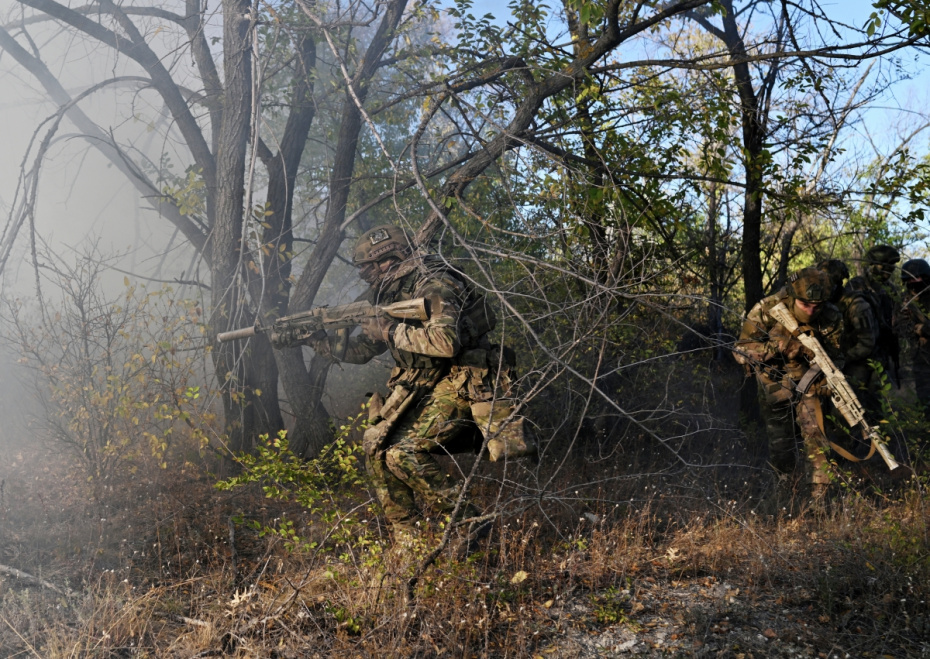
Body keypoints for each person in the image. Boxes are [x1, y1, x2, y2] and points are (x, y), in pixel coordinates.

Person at [307, 225, 523, 550]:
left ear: (391, 258)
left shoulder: (436, 282)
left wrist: (390, 331)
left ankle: (468, 521)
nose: (364, 274)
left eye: (368, 266)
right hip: (424, 383)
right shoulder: (389, 292)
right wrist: (318, 342)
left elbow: (446, 342)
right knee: (375, 446)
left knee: (402, 453)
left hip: (465, 377)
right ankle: (408, 542)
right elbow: (363, 351)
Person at [734, 267, 844, 501]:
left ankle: (819, 503)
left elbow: (839, 355)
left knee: (817, 440)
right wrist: (779, 347)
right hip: (774, 384)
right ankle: (785, 497)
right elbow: (741, 350)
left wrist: (826, 376)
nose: (812, 311)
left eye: (818, 306)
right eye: (806, 305)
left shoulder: (831, 315)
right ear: (793, 296)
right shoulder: (767, 308)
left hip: (811, 383)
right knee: (781, 445)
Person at [817, 259, 880, 415]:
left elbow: (866, 344)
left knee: (849, 410)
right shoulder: (821, 303)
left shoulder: (857, 306)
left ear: (838, 283)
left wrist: (841, 360)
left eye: (829, 283)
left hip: (858, 362)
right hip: (834, 362)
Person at [845, 245, 901, 391]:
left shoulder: (890, 290)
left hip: (881, 354)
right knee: (855, 394)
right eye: (885, 265)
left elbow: (894, 319)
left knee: (876, 399)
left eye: (892, 266)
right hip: (859, 352)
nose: (889, 269)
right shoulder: (856, 285)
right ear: (873, 264)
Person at [898, 258, 930, 428]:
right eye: (909, 279)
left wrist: (924, 328)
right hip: (920, 358)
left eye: (917, 278)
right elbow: (900, 327)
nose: (913, 282)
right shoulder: (904, 301)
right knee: (925, 398)